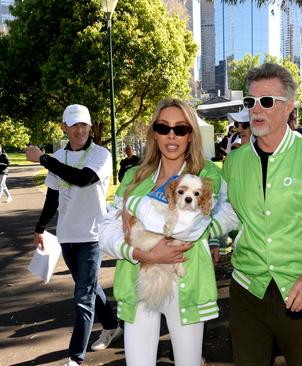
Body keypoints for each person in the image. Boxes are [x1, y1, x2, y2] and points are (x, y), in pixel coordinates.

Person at [223, 62, 302, 365]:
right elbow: (229, 213)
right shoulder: (235, 161)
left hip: (298, 285)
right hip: (246, 287)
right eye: (250, 102)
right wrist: (192, 227)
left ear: (289, 107)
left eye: (267, 101)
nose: (256, 109)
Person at [98, 98, 237, 365]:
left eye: (180, 129)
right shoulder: (135, 176)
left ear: (190, 134)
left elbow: (189, 226)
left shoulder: (206, 175)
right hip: (138, 279)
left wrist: (134, 206)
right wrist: (138, 252)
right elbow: (106, 231)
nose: (171, 135)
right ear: (154, 133)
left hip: (187, 280)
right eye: (163, 128)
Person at [26, 104, 122, 366]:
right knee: (89, 288)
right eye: (74, 125)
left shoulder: (100, 154)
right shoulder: (59, 157)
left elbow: (83, 179)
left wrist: (44, 159)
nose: (80, 131)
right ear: (63, 127)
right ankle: (112, 325)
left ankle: (75, 358)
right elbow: (53, 197)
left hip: (92, 235)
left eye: (84, 125)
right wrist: (40, 228)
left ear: (90, 127)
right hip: (67, 236)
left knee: (82, 297)